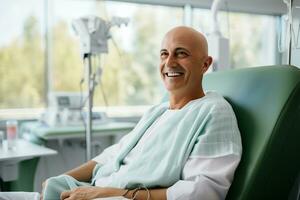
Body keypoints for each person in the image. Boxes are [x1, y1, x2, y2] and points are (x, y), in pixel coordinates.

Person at [0, 26, 242, 200]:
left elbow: (202, 192)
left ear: (205, 63)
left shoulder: (214, 112)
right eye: (164, 54)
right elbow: (111, 156)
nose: (169, 63)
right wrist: (61, 178)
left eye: (182, 53)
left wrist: (109, 193)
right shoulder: (157, 112)